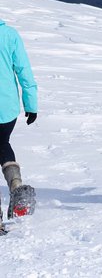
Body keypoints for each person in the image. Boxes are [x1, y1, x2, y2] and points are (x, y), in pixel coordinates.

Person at [0, 18, 37, 235]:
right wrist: (31, 103)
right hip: (6, 109)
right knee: (2, 143)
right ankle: (16, 186)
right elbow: (24, 70)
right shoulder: (10, 34)